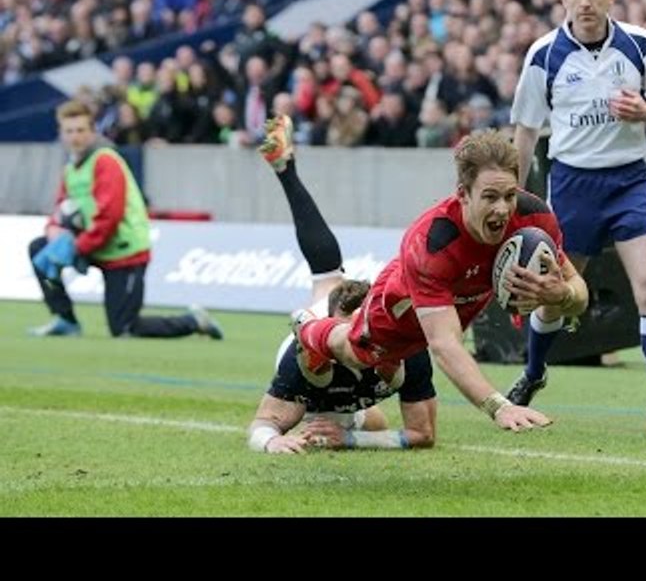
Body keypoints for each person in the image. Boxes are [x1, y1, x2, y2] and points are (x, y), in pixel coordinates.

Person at [291, 129, 589, 432]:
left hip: (462, 300)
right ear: (463, 194)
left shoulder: (535, 217)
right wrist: (499, 406)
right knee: (356, 354)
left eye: (510, 195)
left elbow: (580, 293)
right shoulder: (430, 243)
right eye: (490, 197)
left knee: (391, 374)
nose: (503, 208)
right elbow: (444, 343)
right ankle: (310, 328)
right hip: (403, 304)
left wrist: (563, 294)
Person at [509, 0, 646, 434]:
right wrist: (511, 196)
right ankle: (533, 373)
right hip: (572, 187)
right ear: (563, 0)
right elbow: (526, 133)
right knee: (553, 300)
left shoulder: (639, 44)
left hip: (629, 182)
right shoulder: (544, 56)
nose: (586, 2)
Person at [248, 115, 436, 453]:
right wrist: (272, 442)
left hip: (347, 351)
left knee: (328, 277)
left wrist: (352, 439)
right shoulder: (304, 355)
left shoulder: (407, 345)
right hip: (319, 361)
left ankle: (286, 170)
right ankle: (286, 170)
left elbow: (424, 434)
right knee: (333, 420)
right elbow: (262, 425)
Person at [27, 99, 223, 340]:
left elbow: (110, 217)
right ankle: (65, 320)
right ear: (61, 133)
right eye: (69, 131)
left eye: (80, 130)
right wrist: (53, 230)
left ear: (92, 131)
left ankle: (193, 321)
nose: (75, 137)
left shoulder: (105, 161)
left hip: (124, 253)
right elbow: (59, 208)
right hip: (94, 245)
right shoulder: (70, 169)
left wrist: (76, 247)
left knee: (125, 329)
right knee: (40, 248)